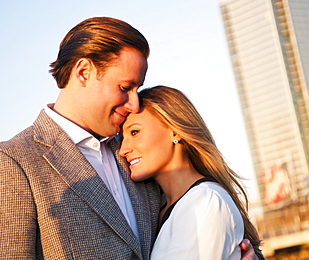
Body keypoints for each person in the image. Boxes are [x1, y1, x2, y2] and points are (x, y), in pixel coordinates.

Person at [0, 17, 160, 259]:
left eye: (137, 90)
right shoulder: (13, 162)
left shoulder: (137, 153)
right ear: (84, 72)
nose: (135, 104)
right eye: (125, 87)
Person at [120, 86, 265, 259]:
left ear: (174, 130)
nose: (123, 149)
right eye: (122, 138)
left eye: (135, 132)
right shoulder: (156, 210)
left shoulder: (206, 201)